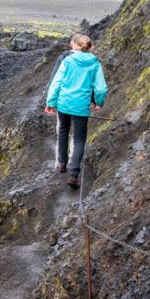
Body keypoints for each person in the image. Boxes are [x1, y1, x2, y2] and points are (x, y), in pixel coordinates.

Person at [43, 33, 108, 189]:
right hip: (81, 106)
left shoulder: (68, 60)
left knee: (64, 130)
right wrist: (98, 102)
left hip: (64, 103)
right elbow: (100, 87)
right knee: (79, 139)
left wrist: (50, 102)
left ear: (75, 45)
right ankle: (74, 174)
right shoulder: (94, 63)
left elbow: (56, 82)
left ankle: (62, 164)